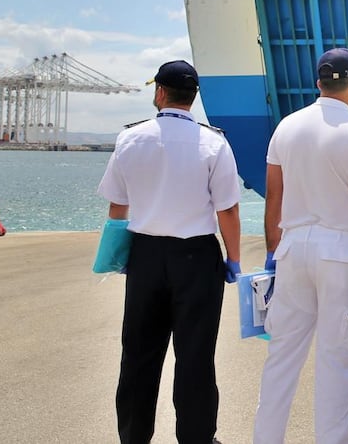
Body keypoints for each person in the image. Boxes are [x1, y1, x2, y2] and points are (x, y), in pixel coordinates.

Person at [253, 47, 348, 444]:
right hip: (341, 252)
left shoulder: (286, 126)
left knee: (282, 356)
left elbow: (273, 196)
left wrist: (272, 252)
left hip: (292, 249)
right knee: (338, 360)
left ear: (319, 82)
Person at [97, 59, 242, 444]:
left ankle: (133, 436)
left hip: (145, 255)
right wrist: (234, 259)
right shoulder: (215, 142)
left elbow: (117, 206)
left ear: (159, 92)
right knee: (195, 356)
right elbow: (227, 208)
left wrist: (118, 254)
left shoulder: (130, 138)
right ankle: (197, 438)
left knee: (139, 355)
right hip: (196, 257)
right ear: (193, 98)